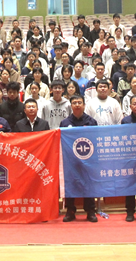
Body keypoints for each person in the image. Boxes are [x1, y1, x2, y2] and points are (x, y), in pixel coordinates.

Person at [59, 94, 99, 223]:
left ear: (84, 105)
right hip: (70, 161)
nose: (77, 105)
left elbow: (95, 140)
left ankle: (90, 211)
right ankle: (70, 211)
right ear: (71, 105)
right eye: (74, 103)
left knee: (89, 185)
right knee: (70, 184)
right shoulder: (65, 123)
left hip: (88, 160)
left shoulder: (91, 122)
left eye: (79, 102)